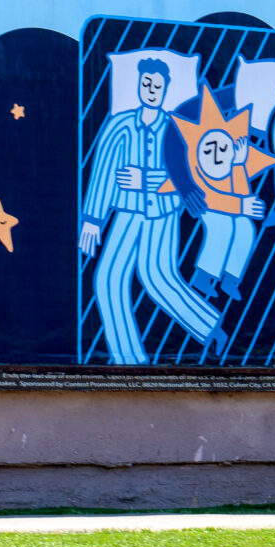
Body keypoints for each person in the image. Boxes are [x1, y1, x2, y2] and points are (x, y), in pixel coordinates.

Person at [81, 57, 225, 363]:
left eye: (157, 86)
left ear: (165, 89)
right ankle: (128, 358)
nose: (151, 90)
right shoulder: (119, 126)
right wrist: (92, 219)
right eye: (146, 83)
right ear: (138, 85)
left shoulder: (175, 131)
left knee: (158, 277)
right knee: (107, 278)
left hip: (162, 212)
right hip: (127, 213)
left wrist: (145, 180)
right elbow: (104, 172)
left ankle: (211, 328)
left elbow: (188, 174)